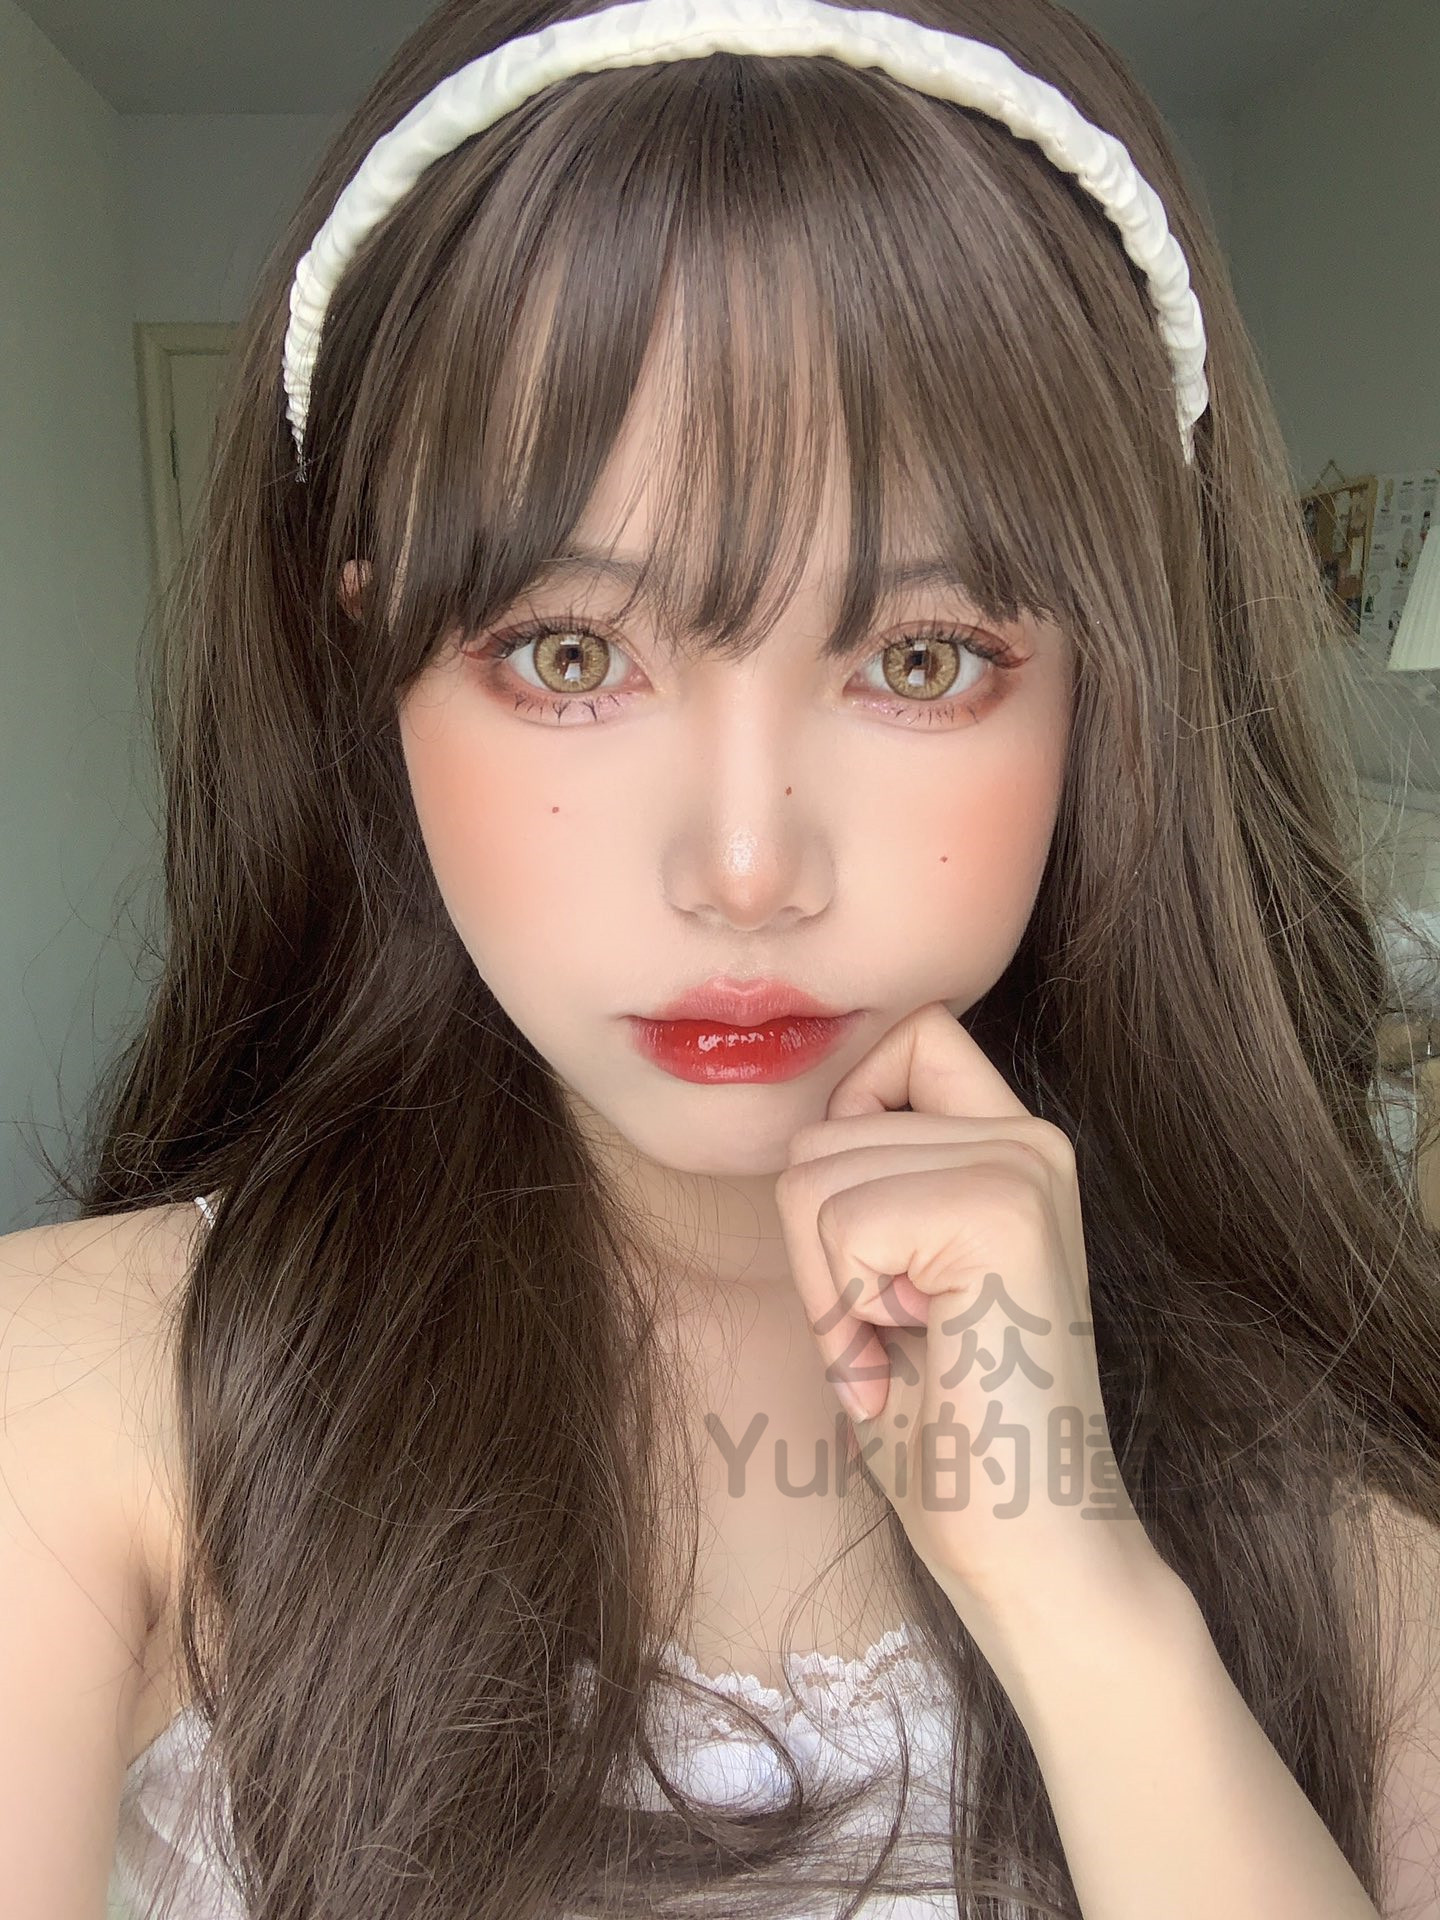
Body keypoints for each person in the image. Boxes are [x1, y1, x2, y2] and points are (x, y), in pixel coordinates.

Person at [2, 0, 1438, 1916]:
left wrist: (1081, 1591)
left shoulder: (1348, 1531)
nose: (746, 870)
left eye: (919, 657)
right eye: (570, 654)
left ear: (1108, 700)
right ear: (373, 663)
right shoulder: (86, 1409)